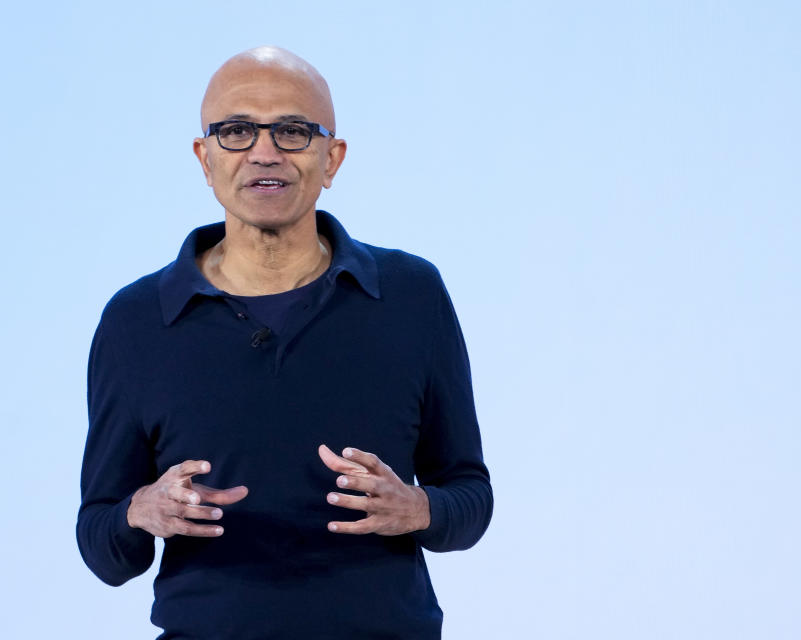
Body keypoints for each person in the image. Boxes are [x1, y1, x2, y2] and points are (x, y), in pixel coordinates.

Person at [77, 46, 492, 639]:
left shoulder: (410, 294)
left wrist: (418, 509)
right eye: (236, 131)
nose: (264, 152)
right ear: (204, 157)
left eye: (293, 131)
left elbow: (471, 499)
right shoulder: (136, 320)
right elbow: (102, 547)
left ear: (332, 158)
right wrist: (142, 511)